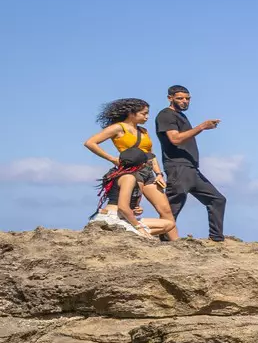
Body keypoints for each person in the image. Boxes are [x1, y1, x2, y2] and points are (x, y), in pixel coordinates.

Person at [82, 98, 179, 240]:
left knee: (165, 210)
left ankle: (176, 244)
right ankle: (134, 232)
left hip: (148, 172)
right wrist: (112, 159)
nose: (147, 117)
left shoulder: (144, 131)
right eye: (143, 114)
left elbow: (150, 153)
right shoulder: (118, 128)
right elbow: (90, 143)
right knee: (131, 206)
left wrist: (158, 173)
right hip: (131, 171)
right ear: (131, 113)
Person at [156, 84, 227, 241]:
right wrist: (202, 126)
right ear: (170, 98)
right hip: (177, 167)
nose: (185, 101)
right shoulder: (166, 115)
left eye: (187, 98)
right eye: (180, 98)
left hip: (191, 168)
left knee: (217, 200)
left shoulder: (181, 116)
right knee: (172, 206)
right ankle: (163, 240)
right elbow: (175, 139)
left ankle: (216, 239)